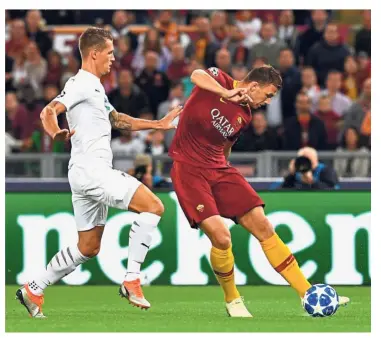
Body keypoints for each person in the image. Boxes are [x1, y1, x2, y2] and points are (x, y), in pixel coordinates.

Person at [16, 27, 182, 318]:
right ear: (94, 53)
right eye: (109, 52)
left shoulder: (94, 87)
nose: (114, 58)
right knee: (153, 207)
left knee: (88, 247)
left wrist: (159, 125)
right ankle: (132, 279)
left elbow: (118, 120)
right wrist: (56, 133)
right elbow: (48, 112)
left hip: (83, 173)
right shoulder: (80, 83)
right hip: (92, 171)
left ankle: (34, 288)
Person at [168, 65, 350, 317]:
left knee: (264, 227)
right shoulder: (219, 79)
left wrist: (226, 172)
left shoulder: (244, 115)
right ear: (253, 86)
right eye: (267, 95)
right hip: (188, 168)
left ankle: (307, 293)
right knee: (221, 237)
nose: (266, 102)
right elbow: (195, 75)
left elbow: (226, 146)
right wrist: (226, 92)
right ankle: (233, 300)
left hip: (219, 168)